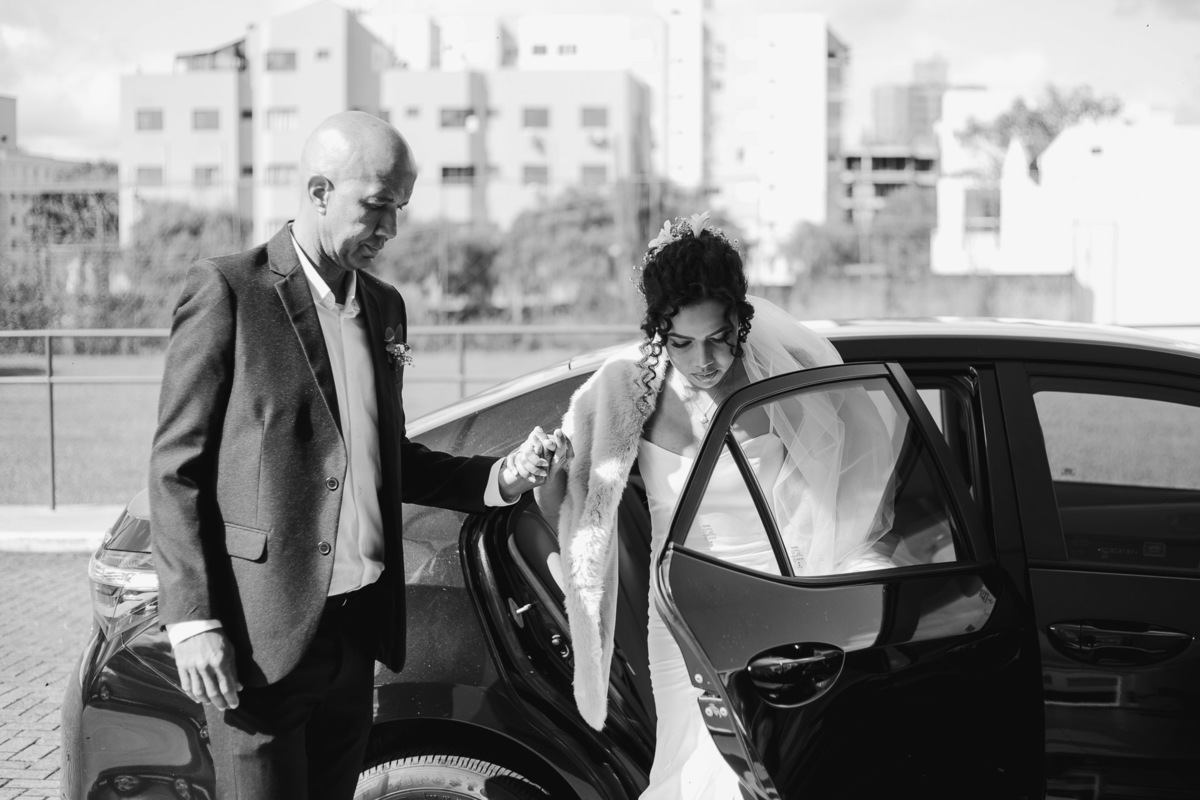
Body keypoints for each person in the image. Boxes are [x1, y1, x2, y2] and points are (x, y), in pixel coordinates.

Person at [148, 110, 553, 800]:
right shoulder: (230, 292)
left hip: (357, 635)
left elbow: (386, 458)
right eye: (377, 205)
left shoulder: (385, 309)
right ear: (319, 191)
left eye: (401, 208)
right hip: (258, 642)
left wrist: (501, 478)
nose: (391, 228)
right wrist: (192, 621)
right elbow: (175, 470)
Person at [533, 212, 897, 799]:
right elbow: (570, 503)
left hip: (775, 604)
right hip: (679, 618)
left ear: (739, 322)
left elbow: (846, 477)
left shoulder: (778, 378)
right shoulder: (627, 392)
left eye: (718, 338)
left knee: (756, 776)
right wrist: (545, 470)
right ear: (658, 330)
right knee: (689, 769)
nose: (703, 360)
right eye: (681, 343)